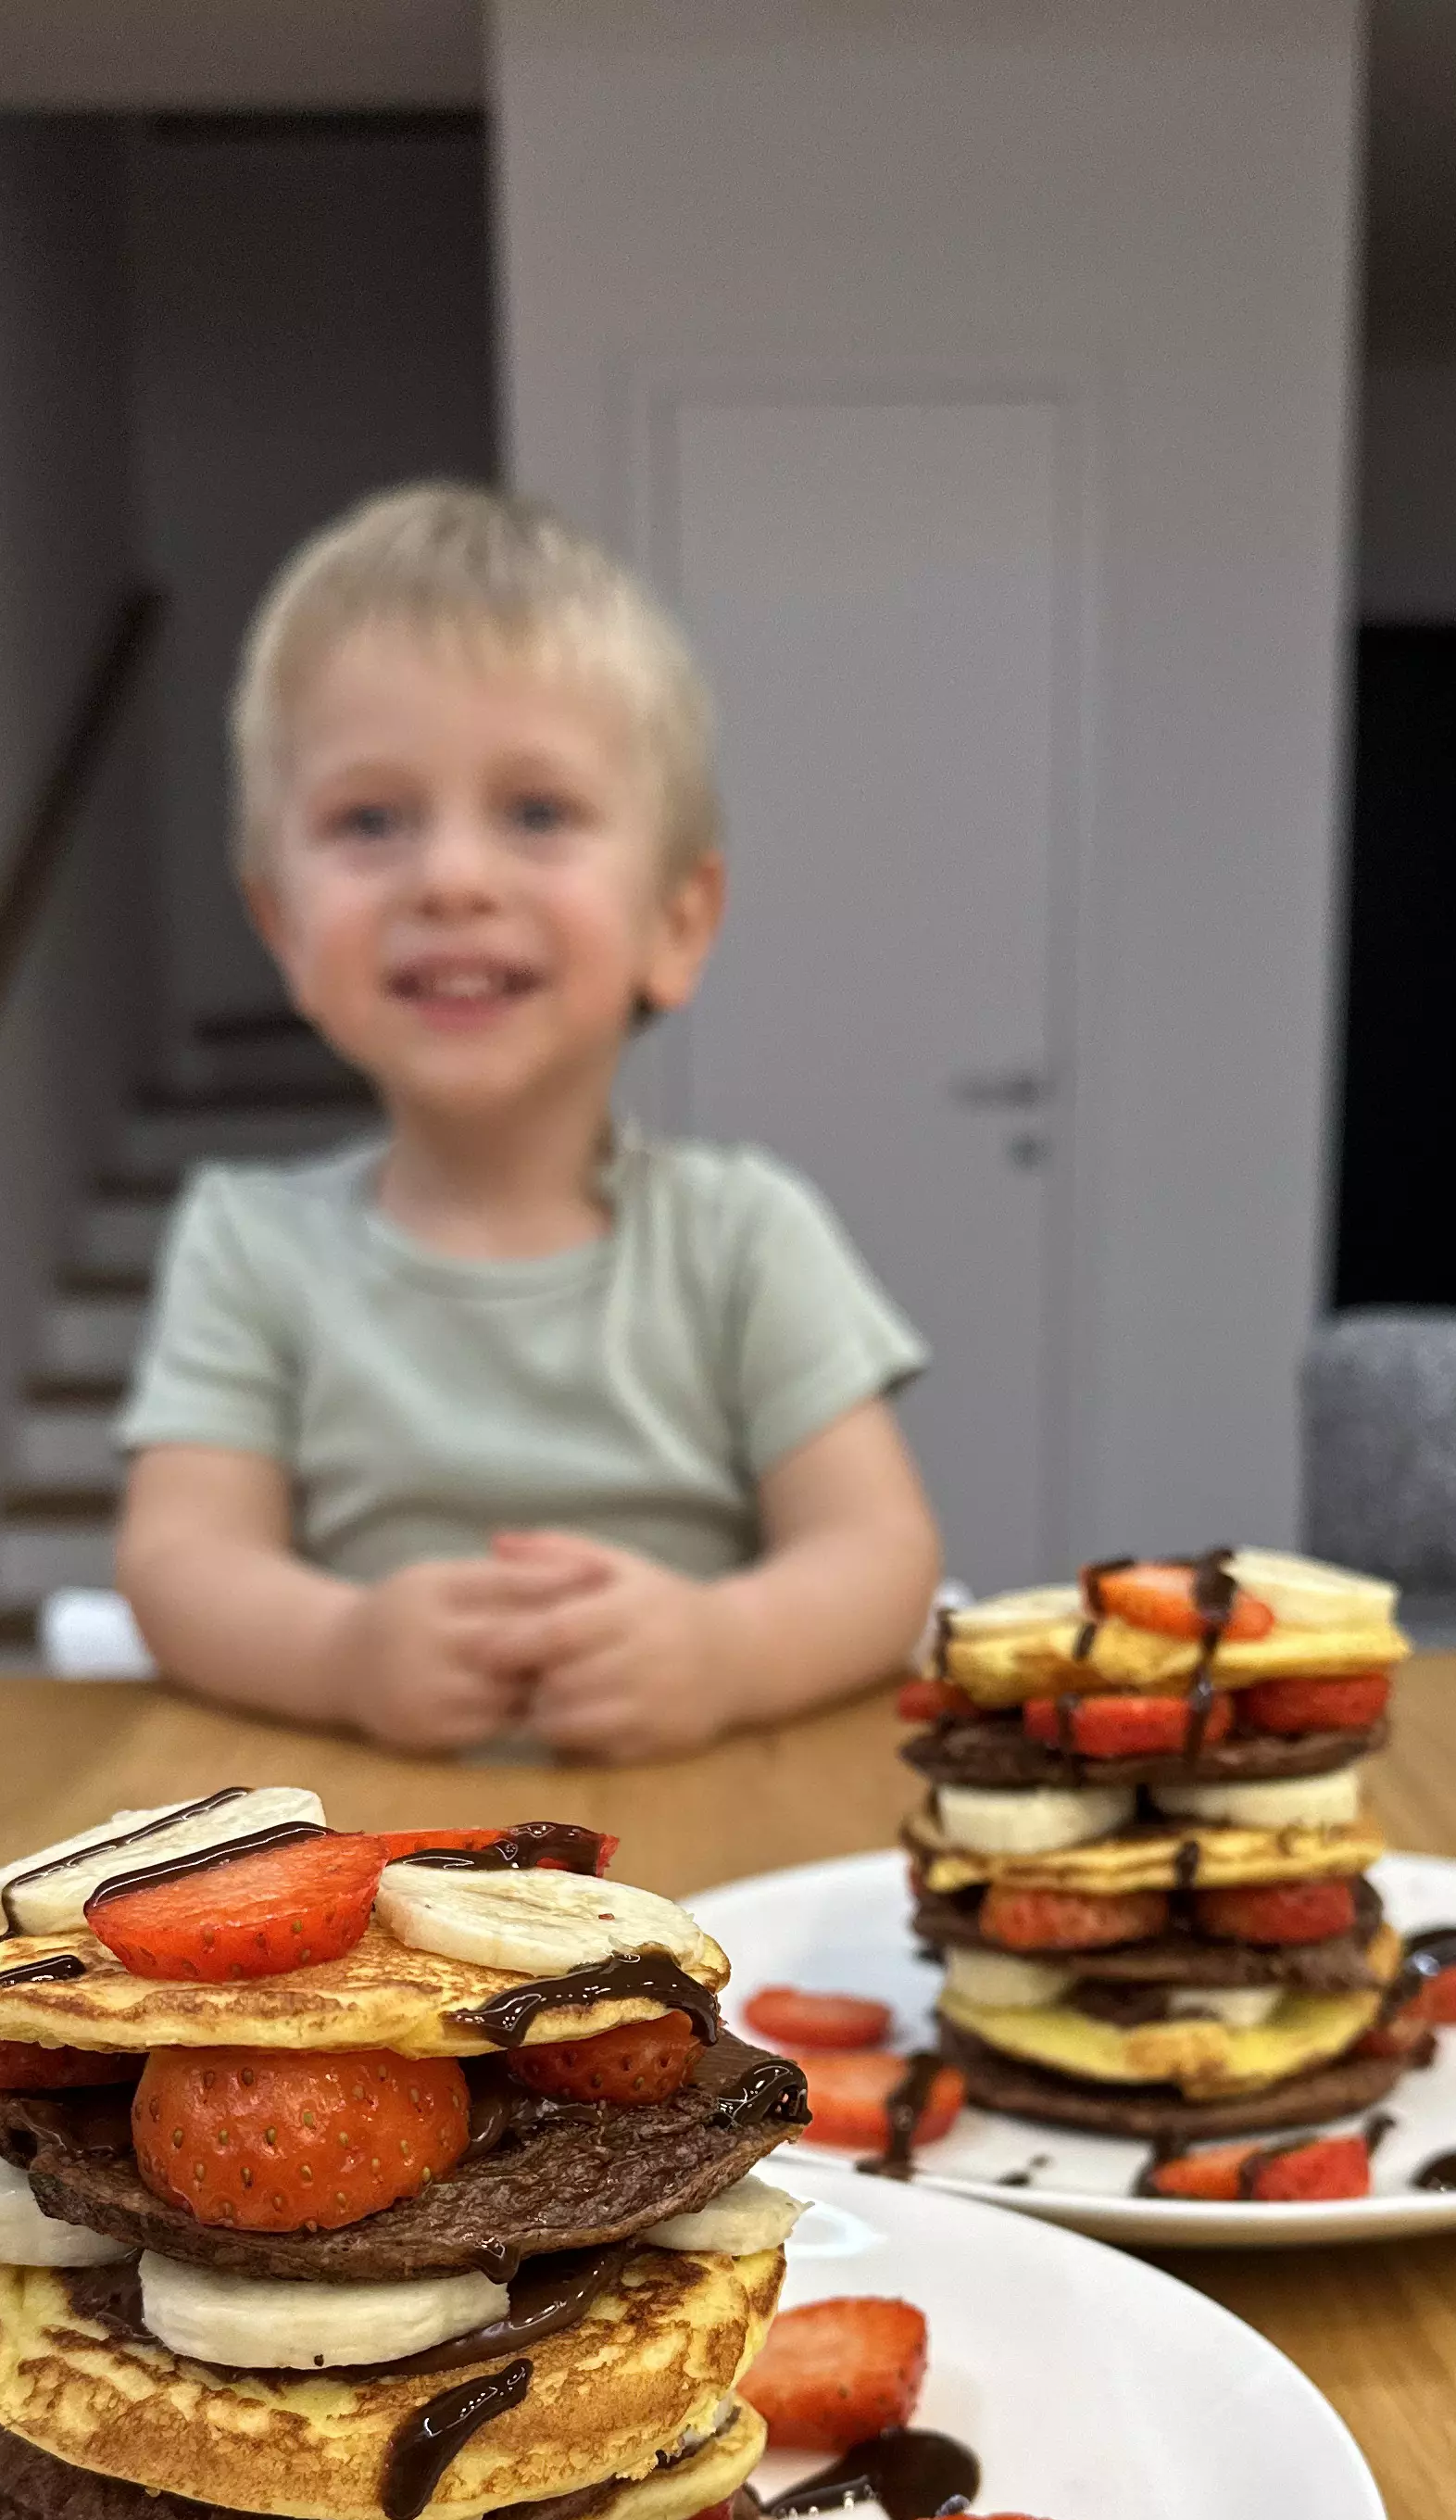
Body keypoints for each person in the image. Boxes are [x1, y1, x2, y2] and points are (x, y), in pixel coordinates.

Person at [115, 482, 942, 1758]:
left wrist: (726, 1654)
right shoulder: (247, 1243)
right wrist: (341, 1654)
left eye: (537, 813)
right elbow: (180, 1560)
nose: (450, 878)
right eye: (370, 820)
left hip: (697, 1854)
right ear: (282, 927)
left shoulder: (746, 1234)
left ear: (676, 923)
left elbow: (880, 1554)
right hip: (368, 1871)